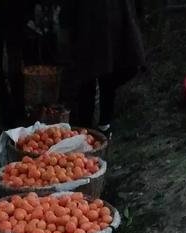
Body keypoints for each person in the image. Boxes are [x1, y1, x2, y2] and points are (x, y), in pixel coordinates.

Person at [62, 0, 145, 135]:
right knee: (95, 76)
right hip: (94, 23)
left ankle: (98, 125)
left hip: (105, 23)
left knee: (101, 75)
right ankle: (90, 128)